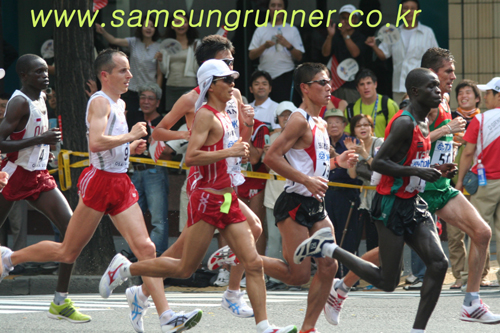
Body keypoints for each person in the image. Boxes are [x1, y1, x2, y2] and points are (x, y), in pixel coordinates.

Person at [1, 50, 202, 333]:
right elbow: (95, 143)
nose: (130, 76)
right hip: (99, 182)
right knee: (68, 251)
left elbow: (110, 144)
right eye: (123, 71)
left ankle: (164, 315)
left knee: (146, 248)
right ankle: (10, 258)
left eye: (129, 70)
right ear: (105, 75)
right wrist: (131, 136)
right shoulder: (99, 102)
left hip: (119, 181)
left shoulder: (118, 103)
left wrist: (129, 148)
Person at [99, 59, 298, 333]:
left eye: (232, 78)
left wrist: (246, 131)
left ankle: (264, 326)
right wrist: (227, 153)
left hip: (228, 197)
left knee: (252, 261)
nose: (232, 84)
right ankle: (126, 269)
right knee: (184, 269)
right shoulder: (204, 114)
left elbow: (240, 149)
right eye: (226, 79)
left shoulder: (227, 114)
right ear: (211, 85)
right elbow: (191, 157)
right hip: (207, 198)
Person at [295, 68, 458, 332]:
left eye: (439, 86)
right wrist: (418, 171)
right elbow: (380, 164)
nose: (439, 91)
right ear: (415, 92)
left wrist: (436, 171)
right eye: (432, 86)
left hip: (414, 202)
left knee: (439, 264)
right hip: (391, 204)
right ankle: (330, 249)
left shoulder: (426, 121)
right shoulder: (404, 122)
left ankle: (418, 329)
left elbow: (410, 161)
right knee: (388, 281)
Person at [144, 34, 260, 318]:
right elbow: (158, 132)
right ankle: (142, 284)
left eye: (232, 63)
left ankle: (232, 292)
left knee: (253, 228)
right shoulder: (191, 98)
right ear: (209, 66)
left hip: (228, 175)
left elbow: (237, 141)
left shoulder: (234, 94)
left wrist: (247, 124)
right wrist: (188, 134)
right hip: (203, 178)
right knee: (184, 257)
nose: (232, 70)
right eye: (226, 62)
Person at [0, 54, 90, 323]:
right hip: (13, 175)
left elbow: (26, 138)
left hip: (38, 175)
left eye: (45, 71)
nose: (45, 75)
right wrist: (41, 139)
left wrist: (43, 150)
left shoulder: (41, 98)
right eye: (38, 72)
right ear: (24, 76)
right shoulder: (18, 102)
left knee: (72, 231)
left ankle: (60, 301)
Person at [456, 77, 500, 289]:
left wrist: (459, 181)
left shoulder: (480, 120)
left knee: (478, 231)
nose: (485, 97)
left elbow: (468, 153)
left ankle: (471, 278)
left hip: (486, 183)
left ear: (498, 96)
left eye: (489, 93)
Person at [365, 0, 438, 103]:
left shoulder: (427, 33)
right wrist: (373, 46)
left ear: (418, 12)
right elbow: (383, 54)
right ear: (401, 11)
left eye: (413, 8)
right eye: (405, 8)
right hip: (399, 87)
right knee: (401, 116)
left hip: (421, 86)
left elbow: (436, 58)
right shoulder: (394, 33)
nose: (409, 11)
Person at [96, 15, 161, 130]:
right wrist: (103, 31)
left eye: (152, 26)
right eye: (146, 25)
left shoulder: (159, 47)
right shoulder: (134, 42)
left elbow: (160, 72)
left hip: (148, 89)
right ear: (140, 27)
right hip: (132, 88)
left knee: (146, 118)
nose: (148, 28)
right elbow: (114, 40)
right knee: (130, 116)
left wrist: (157, 91)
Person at [129, 82, 170, 254]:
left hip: (155, 171)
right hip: (133, 172)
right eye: (143, 97)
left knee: (158, 220)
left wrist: (157, 142)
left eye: (150, 99)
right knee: (132, 218)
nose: (146, 102)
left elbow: (171, 151)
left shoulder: (165, 121)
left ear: (158, 102)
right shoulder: (132, 118)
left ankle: (157, 258)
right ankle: (136, 256)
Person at [323, 108, 362, 278]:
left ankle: (347, 275)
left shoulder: (352, 141)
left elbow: (353, 173)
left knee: (347, 234)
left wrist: (337, 157)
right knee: (328, 233)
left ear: (344, 124)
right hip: (326, 192)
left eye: (337, 122)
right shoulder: (322, 141)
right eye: (329, 122)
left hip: (346, 194)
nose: (333, 126)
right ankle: (330, 274)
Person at [262, 101, 295, 290]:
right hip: (273, 195)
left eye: (289, 114)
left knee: (291, 239)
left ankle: (292, 277)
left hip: (293, 195)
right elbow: (267, 167)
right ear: (277, 118)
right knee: (274, 238)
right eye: (283, 115)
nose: (286, 118)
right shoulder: (272, 138)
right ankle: (274, 278)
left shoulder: (299, 137)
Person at [248, 0, 305, 103]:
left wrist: (288, 45)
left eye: (279, 5)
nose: (276, 9)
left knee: (285, 111)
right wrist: (264, 46)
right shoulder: (260, 30)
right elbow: (251, 55)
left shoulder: (292, 30)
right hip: (264, 77)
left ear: (284, 9)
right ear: (268, 8)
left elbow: (299, 56)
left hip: (285, 77)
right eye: (273, 5)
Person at [345, 114, 383, 255]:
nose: (363, 128)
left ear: (371, 128)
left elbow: (381, 168)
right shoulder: (357, 147)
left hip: (380, 196)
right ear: (354, 130)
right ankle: (372, 272)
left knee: (381, 237)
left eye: (366, 125)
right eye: (358, 125)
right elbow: (353, 175)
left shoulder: (379, 143)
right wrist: (351, 153)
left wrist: (365, 154)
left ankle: (385, 270)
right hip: (365, 198)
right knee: (370, 238)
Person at [322, 4, 366, 103]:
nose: (347, 21)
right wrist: (329, 36)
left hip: (353, 86)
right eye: (344, 18)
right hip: (336, 84)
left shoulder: (360, 37)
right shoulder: (335, 35)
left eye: (351, 18)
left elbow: (355, 53)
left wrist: (345, 35)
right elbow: (325, 53)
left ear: (356, 20)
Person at [158, 13, 200, 113]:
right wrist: (160, 61)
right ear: (172, 26)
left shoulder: (196, 44)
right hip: (171, 86)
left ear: (188, 24)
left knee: (191, 117)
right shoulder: (167, 45)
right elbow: (164, 71)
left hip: (190, 86)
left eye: (184, 22)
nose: (181, 25)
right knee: (173, 120)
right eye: (177, 22)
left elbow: (198, 69)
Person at [344, 69, 399, 138]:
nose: (366, 87)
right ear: (357, 88)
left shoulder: (389, 104)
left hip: (383, 147)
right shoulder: (350, 109)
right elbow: (347, 134)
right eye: (362, 84)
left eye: (369, 83)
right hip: (360, 147)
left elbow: (396, 133)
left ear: (375, 84)